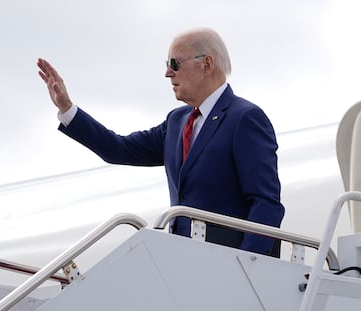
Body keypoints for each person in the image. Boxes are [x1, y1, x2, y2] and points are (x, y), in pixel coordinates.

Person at [37, 27, 285, 257]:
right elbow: (118, 149)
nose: (168, 73)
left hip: (227, 267)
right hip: (183, 265)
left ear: (207, 64)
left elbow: (266, 203)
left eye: (174, 63)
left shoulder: (244, 118)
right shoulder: (176, 122)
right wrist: (68, 110)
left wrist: (246, 264)